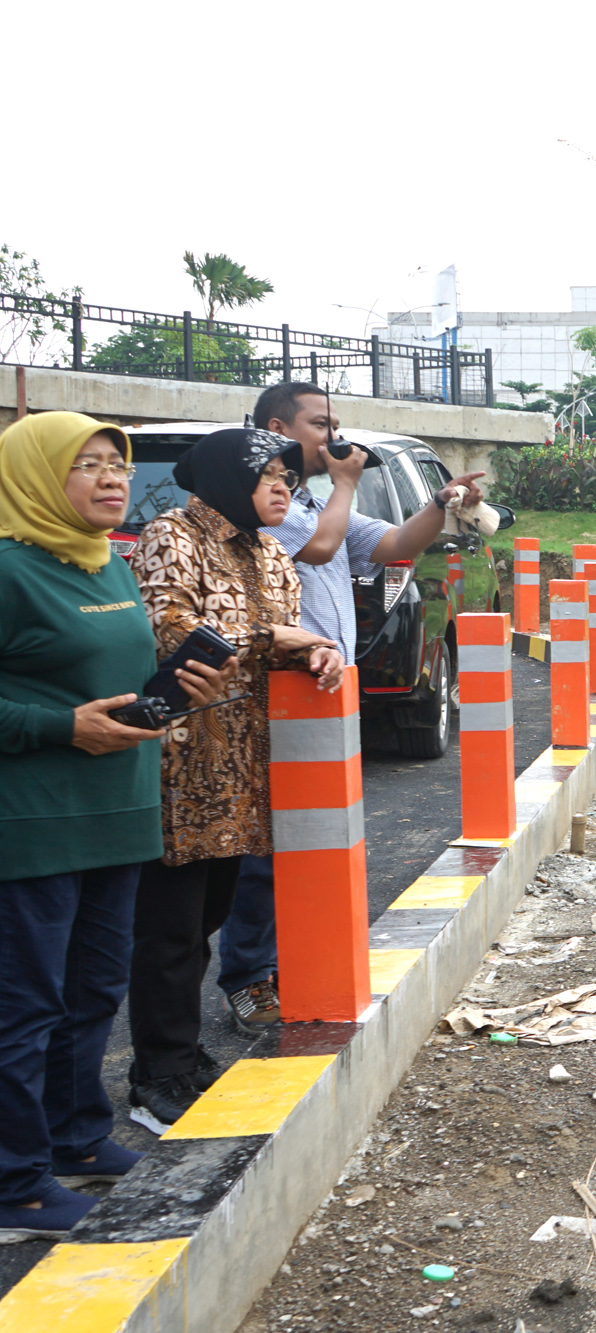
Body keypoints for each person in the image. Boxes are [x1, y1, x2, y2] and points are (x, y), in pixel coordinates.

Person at [0, 413, 231, 1238]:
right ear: (33, 477)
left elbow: (118, 680)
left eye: (117, 465)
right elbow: (51, 708)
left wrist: (171, 693)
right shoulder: (9, 569)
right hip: (34, 825)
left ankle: (76, 1136)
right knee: (24, 1003)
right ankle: (15, 1184)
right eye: (85, 465)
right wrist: (61, 727)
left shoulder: (111, 563)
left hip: (121, 815)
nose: (110, 479)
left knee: (94, 988)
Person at [211, 383, 486, 1034]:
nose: (335, 434)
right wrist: (346, 483)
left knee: (314, 839)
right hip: (272, 689)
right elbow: (323, 548)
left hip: (322, 692)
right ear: (278, 426)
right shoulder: (265, 503)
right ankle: (250, 974)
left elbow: (390, 544)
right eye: (320, 422)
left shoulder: (309, 499)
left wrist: (441, 507)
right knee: (266, 849)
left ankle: (294, 962)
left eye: (337, 422)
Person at [127, 429, 343, 1132]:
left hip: (246, 766)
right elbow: (169, 631)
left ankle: (184, 1058)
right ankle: (155, 1073)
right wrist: (273, 639)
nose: (284, 488)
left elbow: (289, 639)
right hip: (183, 762)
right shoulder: (174, 533)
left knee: (209, 917)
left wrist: (317, 657)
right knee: (170, 928)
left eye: (288, 477)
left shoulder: (271, 552)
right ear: (228, 478)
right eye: (270, 476)